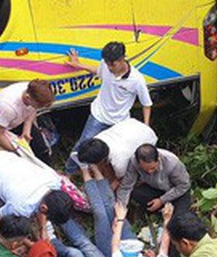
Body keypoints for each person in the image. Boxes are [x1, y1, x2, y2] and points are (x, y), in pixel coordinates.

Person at [0, 151, 113, 257]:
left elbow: (43, 206)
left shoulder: (54, 183)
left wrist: (43, 229)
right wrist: (31, 245)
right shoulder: (21, 206)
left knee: (75, 254)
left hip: (6, 162)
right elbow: (3, 222)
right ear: (44, 208)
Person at [64, 41, 153, 175]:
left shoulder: (137, 80)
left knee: (113, 153)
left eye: (113, 64)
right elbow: (98, 71)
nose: (109, 67)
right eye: (107, 63)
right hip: (98, 116)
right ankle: (68, 173)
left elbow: (146, 104)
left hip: (120, 122)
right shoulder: (105, 66)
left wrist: (145, 127)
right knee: (82, 146)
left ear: (123, 59)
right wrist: (78, 65)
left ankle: (106, 175)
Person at [0, 79, 55, 165]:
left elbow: (33, 109)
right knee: (19, 160)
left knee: (41, 149)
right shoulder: (8, 107)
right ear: (28, 98)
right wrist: (16, 150)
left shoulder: (32, 90)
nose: (40, 108)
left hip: (18, 120)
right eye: (40, 106)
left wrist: (27, 129)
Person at [116, 143, 191, 216]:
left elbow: (183, 185)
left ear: (158, 159)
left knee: (180, 218)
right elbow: (126, 187)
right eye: (145, 169)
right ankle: (156, 211)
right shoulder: (134, 162)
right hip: (156, 188)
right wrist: (121, 209)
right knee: (135, 193)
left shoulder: (172, 163)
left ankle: (165, 211)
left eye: (152, 168)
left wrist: (162, 200)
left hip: (176, 190)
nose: (149, 172)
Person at [76, 118, 158, 181]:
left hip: (147, 135)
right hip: (132, 125)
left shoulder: (120, 161)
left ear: (101, 160)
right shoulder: (96, 140)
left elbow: (120, 179)